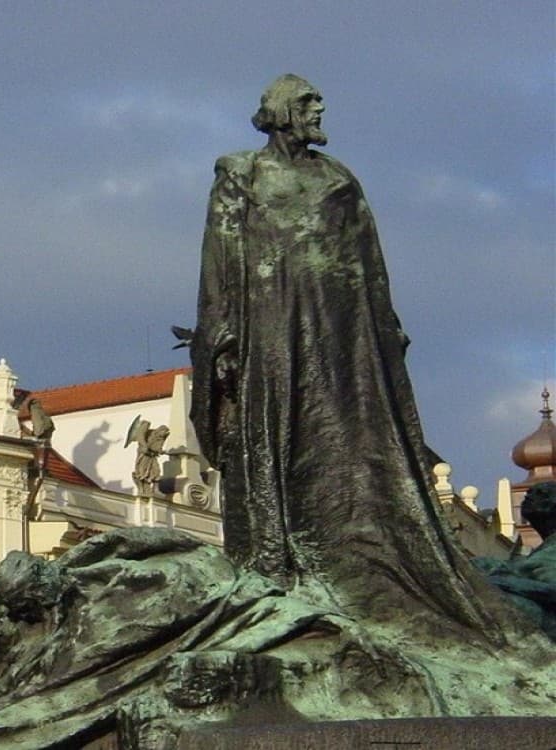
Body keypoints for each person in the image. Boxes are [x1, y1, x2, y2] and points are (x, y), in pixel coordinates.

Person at [189, 74, 513, 639]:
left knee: (352, 431)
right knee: (275, 433)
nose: (320, 108)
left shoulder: (339, 178)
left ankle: (358, 553)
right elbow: (219, 256)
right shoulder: (242, 172)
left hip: (343, 328)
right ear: (283, 111)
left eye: (318, 101)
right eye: (309, 101)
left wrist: (386, 329)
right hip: (270, 321)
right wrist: (222, 335)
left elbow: (370, 258)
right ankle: (279, 558)